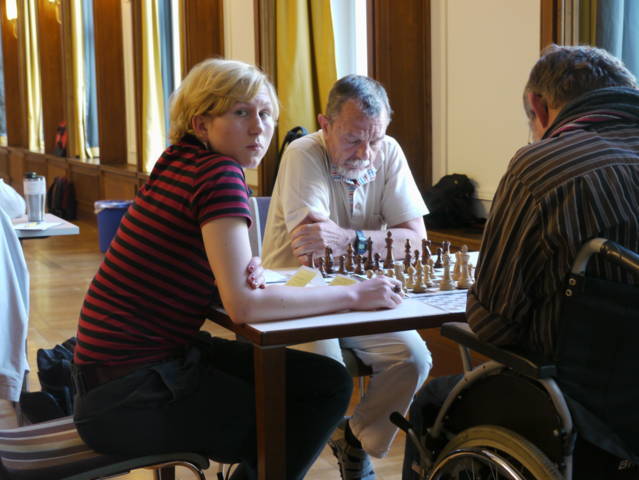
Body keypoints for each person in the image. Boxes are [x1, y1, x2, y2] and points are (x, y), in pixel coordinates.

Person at [71, 58, 404, 480]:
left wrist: (226, 276)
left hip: (106, 379)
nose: (258, 128)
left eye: (265, 114)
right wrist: (356, 294)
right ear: (201, 123)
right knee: (294, 415)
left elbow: (187, 269)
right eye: (241, 112)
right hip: (130, 395)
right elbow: (244, 307)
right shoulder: (219, 177)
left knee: (326, 382)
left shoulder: (178, 161)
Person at [402, 44, 639, 479]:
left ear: (539, 106)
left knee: (432, 402)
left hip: (583, 414)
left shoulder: (543, 167)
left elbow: (495, 325)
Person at [262, 74, 432, 479]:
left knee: (413, 359)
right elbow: (313, 253)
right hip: (297, 293)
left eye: (375, 139)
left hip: (363, 291)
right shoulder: (303, 153)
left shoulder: (388, 151)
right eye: (354, 139)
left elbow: (416, 241)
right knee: (330, 376)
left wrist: (349, 240)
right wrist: (380, 242)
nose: (366, 153)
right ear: (326, 124)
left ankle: (354, 438)